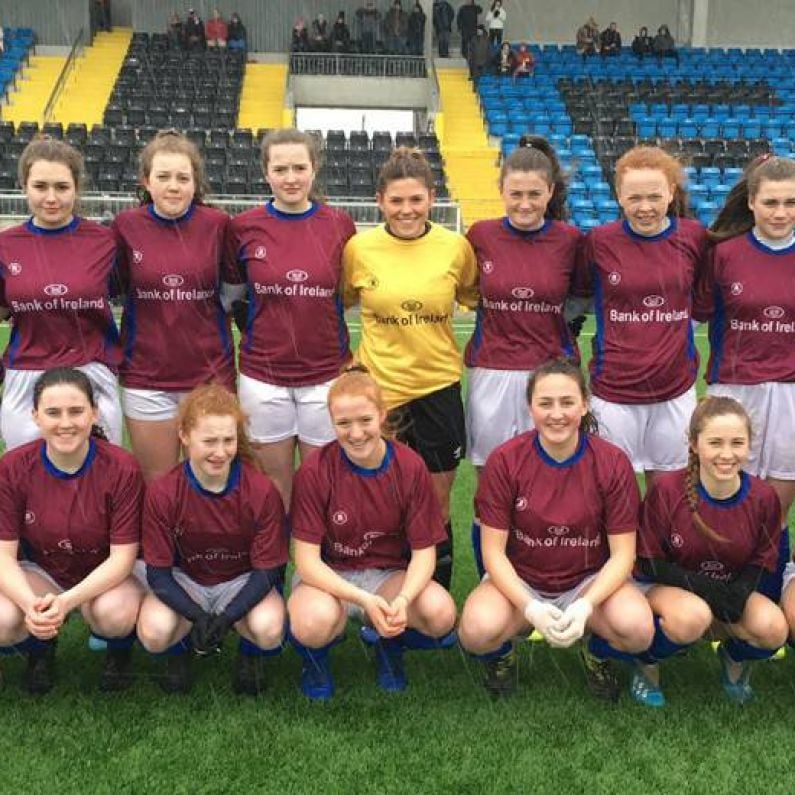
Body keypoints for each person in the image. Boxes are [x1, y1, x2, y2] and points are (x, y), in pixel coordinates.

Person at [458, 359, 654, 699]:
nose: (556, 413)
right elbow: (492, 551)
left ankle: (596, 652)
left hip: (586, 581)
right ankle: (504, 654)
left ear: (585, 404)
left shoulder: (612, 462)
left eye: (567, 402)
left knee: (638, 629)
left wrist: (586, 605)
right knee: (475, 631)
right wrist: (529, 606)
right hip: (523, 580)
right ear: (530, 406)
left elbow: (624, 554)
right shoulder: (505, 461)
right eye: (545, 403)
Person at [343, 147, 478, 590]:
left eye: (416, 200)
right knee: (383, 504)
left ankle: (433, 602)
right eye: (397, 201)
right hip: (381, 397)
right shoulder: (359, 248)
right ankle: (383, 590)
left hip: (438, 390)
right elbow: (339, 304)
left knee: (437, 505)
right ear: (380, 200)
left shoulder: (455, 247)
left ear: (431, 198)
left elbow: (475, 297)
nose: (406, 210)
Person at [288, 367, 457, 700]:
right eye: (343, 423)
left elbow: (425, 552)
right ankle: (316, 662)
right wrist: (364, 600)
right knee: (312, 622)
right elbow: (306, 560)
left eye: (365, 420)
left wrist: (403, 601)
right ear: (331, 422)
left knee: (440, 614)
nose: (356, 433)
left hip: (387, 576)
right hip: (328, 577)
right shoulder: (314, 470)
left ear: (382, 415)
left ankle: (388, 644)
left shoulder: (409, 466)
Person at [464, 136, 582, 573]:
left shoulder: (570, 240)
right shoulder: (480, 235)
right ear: (501, 190)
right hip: (492, 374)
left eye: (535, 193)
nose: (526, 203)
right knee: (491, 488)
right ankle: (492, 586)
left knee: (556, 485)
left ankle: (549, 579)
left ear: (550, 192)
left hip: (550, 377)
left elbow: (581, 300)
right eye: (516, 193)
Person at [228, 129, 357, 508]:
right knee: (273, 490)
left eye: (299, 167)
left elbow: (345, 294)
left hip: (326, 376)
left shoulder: (339, 225)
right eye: (280, 168)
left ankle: (312, 569)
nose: (290, 178)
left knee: (324, 489)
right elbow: (234, 299)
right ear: (265, 172)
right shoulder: (244, 227)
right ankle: (274, 567)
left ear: (314, 169)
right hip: (263, 379)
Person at [634, 397, 787, 707]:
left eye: (737, 443)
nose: (726, 454)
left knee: (773, 629)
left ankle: (732, 658)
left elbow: (763, 558)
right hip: (667, 586)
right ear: (693, 443)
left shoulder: (763, 497)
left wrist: (740, 591)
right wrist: (706, 589)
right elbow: (648, 561)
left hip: (728, 586)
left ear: (749, 446)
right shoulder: (666, 491)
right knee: (692, 617)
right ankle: (646, 662)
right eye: (715, 442)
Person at [137, 384, 288, 695]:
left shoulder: (260, 491)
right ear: (184, 436)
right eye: (209, 441)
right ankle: (178, 653)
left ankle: (250, 654)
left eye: (228, 440)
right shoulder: (164, 492)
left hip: (240, 580)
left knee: (269, 629)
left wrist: (227, 617)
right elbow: (159, 574)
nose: (220, 452)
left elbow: (267, 571)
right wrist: (197, 616)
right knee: (154, 633)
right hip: (186, 580)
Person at [0, 368, 144, 693]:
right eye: (53, 412)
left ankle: (118, 653)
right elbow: (3, 556)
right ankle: (41, 650)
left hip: (106, 573)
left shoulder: (122, 467)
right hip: (42, 571)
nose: (66, 423)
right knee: (4, 619)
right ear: (35, 416)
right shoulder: (12, 467)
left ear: (94, 413)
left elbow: (123, 558)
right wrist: (30, 607)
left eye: (76, 411)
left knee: (114, 613)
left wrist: (66, 603)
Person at [111, 130, 238, 483]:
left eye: (183, 177)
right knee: (159, 483)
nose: (173, 186)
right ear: (146, 181)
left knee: (214, 479)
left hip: (211, 376)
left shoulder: (218, 225)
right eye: (163, 177)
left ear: (196, 182)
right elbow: (114, 287)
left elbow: (231, 293)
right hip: (147, 378)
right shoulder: (126, 226)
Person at [695, 155, 795, 592]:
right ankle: (713, 595)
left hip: (791, 393)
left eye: (791, 203)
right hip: (736, 392)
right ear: (751, 202)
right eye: (771, 202)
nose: (781, 212)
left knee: (774, 509)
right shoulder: (723, 254)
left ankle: (765, 597)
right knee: (725, 496)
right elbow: (694, 315)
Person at [581, 146, 708, 487]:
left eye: (655, 196)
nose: (645, 207)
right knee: (612, 491)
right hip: (613, 393)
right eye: (634, 197)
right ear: (619, 196)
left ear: (671, 193)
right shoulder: (598, 242)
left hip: (675, 391)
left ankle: (658, 545)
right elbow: (576, 297)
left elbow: (705, 299)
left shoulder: (694, 238)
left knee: (670, 494)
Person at [0, 137, 123, 450]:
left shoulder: (105, 241)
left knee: (99, 479)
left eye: (62, 187)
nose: (51, 198)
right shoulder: (6, 245)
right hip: (26, 373)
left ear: (76, 188)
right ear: (24, 186)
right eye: (40, 186)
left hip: (91, 372)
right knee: (27, 483)